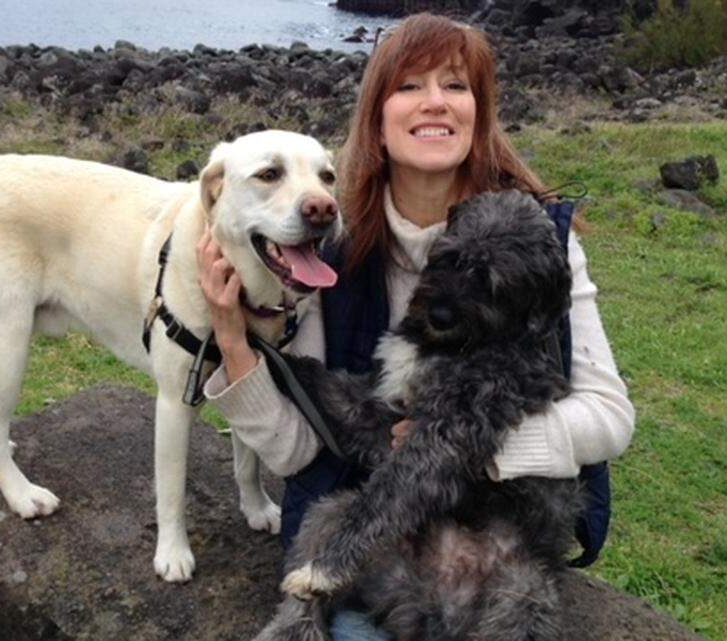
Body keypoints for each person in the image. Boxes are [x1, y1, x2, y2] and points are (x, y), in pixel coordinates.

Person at [197, 13, 634, 641]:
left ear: (479, 113)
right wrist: (232, 341)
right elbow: (301, 448)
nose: (434, 102)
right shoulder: (329, 253)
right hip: (393, 534)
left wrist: (466, 446)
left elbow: (609, 417)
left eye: (455, 86)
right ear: (377, 117)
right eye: (409, 86)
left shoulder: (540, 243)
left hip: (505, 534)